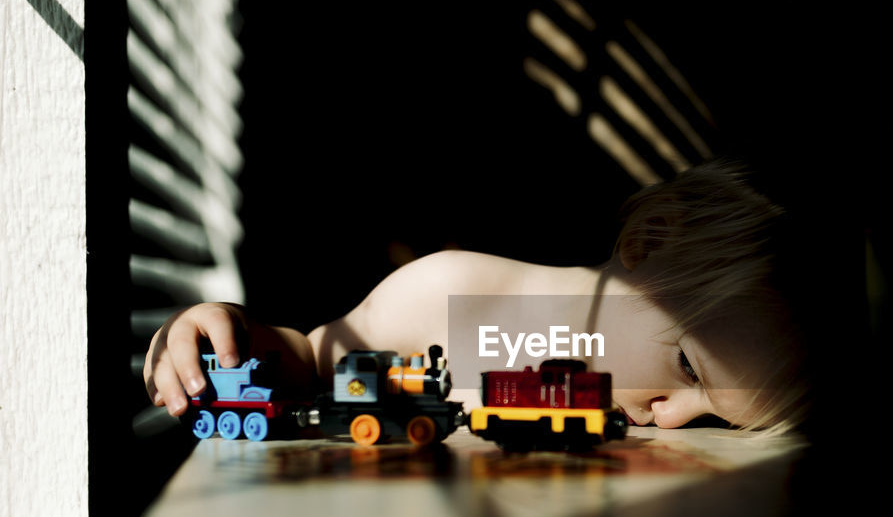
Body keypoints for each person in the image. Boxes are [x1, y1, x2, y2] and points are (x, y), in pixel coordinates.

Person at [144, 160, 811, 434]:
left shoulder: (630, 405)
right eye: (689, 370)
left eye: (712, 420)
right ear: (649, 244)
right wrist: (229, 337)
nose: (671, 419)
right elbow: (316, 363)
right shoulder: (447, 296)